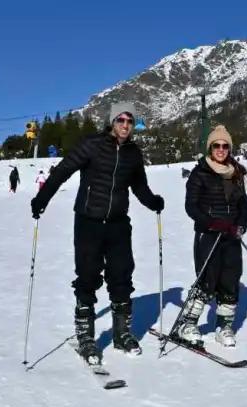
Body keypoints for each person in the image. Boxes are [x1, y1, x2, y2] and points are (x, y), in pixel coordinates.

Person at [30, 102, 165, 364]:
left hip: (117, 223)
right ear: (112, 122)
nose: (125, 125)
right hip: (89, 222)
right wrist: (42, 199)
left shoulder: (133, 154)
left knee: (122, 275)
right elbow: (63, 171)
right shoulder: (92, 145)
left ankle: (121, 333)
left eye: (129, 121)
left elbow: (139, 187)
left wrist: (153, 202)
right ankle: (86, 337)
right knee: (88, 276)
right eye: (120, 120)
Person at [175, 125, 247, 348]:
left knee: (230, 280)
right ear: (210, 148)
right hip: (208, 234)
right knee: (207, 280)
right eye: (216, 145)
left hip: (231, 236)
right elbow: (191, 206)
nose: (221, 149)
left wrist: (240, 226)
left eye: (225, 146)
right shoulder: (200, 173)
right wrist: (211, 222)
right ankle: (188, 324)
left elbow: (243, 205)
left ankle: (224, 326)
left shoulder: (236, 172)